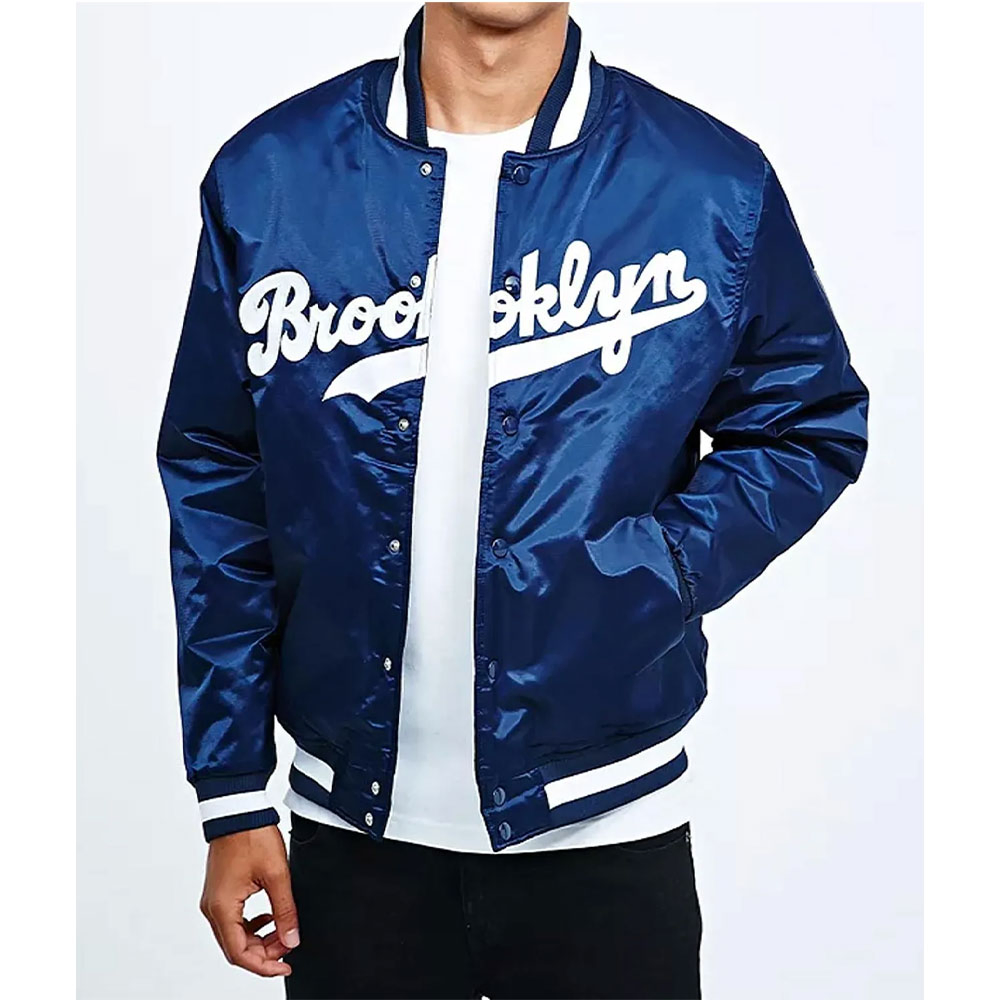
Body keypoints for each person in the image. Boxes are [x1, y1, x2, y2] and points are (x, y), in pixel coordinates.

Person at [157, 3, 869, 997]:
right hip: (347, 837)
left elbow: (807, 422)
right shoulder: (272, 176)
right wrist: (231, 791)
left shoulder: (706, 184)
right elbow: (217, 475)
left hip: (609, 830)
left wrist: (658, 568)